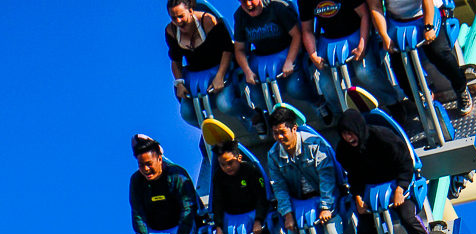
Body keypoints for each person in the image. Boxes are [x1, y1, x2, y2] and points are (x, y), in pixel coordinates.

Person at [335, 109, 446, 234]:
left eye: (351, 132)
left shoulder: (383, 138)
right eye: (344, 134)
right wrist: (358, 197)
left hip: (397, 183)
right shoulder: (344, 150)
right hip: (371, 190)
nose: (348, 137)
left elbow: (406, 163)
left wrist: (400, 188)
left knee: (407, 217)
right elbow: (354, 176)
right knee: (364, 230)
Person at [267, 106, 355, 234]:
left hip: (324, 197)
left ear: (294, 128)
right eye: (275, 134)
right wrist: (288, 214)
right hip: (299, 203)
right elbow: (279, 187)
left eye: (283, 132)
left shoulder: (314, 144)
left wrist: (326, 207)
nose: (279, 138)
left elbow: (327, 177)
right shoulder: (273, 155)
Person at [233, 0, 331, 138]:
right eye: (243, 1)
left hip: (287, 51)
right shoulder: (240, 16)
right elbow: (239, 49)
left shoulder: (278, 7)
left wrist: (289, 61)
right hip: (262, 57)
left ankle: (319, 103)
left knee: (295, 88)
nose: (248, 4)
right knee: (257, 96)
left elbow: (297, 35)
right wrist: (247, 71)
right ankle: (271, 120)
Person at [367, 0, 472, 116]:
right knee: (402, 72)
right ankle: (421, 97)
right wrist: (384, 36)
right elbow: (375, 7)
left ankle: (461, 88)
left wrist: (428, 27)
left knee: (439, 54)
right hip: (397, 22)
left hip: (425, 14)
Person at [165, 0, 256, 130]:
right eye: (174, 18)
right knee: (187, 114)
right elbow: (175, 60)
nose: (178, 21)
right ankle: (211, 132)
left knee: (225, 105)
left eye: (181, 16)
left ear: (190, 11)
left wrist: (219, 76)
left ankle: (255, 117)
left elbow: (227, 50)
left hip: (220, 66)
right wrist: (179, 83)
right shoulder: (171, 31)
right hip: (195, 73)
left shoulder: (207, 21)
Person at [211, 139, 299, 234]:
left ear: (239, 158)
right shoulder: (218, 176)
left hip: (253, 215)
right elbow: (217, 202)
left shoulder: (250, 170)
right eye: (222, 164)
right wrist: (218, 226)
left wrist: (258, 220)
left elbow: (261, 197)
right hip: (232, 220)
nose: (227, 168)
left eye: (230, 163)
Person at [299, 0, 399, 113]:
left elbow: (364, 15)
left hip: (356, 33)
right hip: (329, 40)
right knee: (327, 85)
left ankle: (393, 102)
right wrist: (313, 55)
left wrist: (362, 45)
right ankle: (343, 113)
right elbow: (307, 30)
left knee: (365, 73)